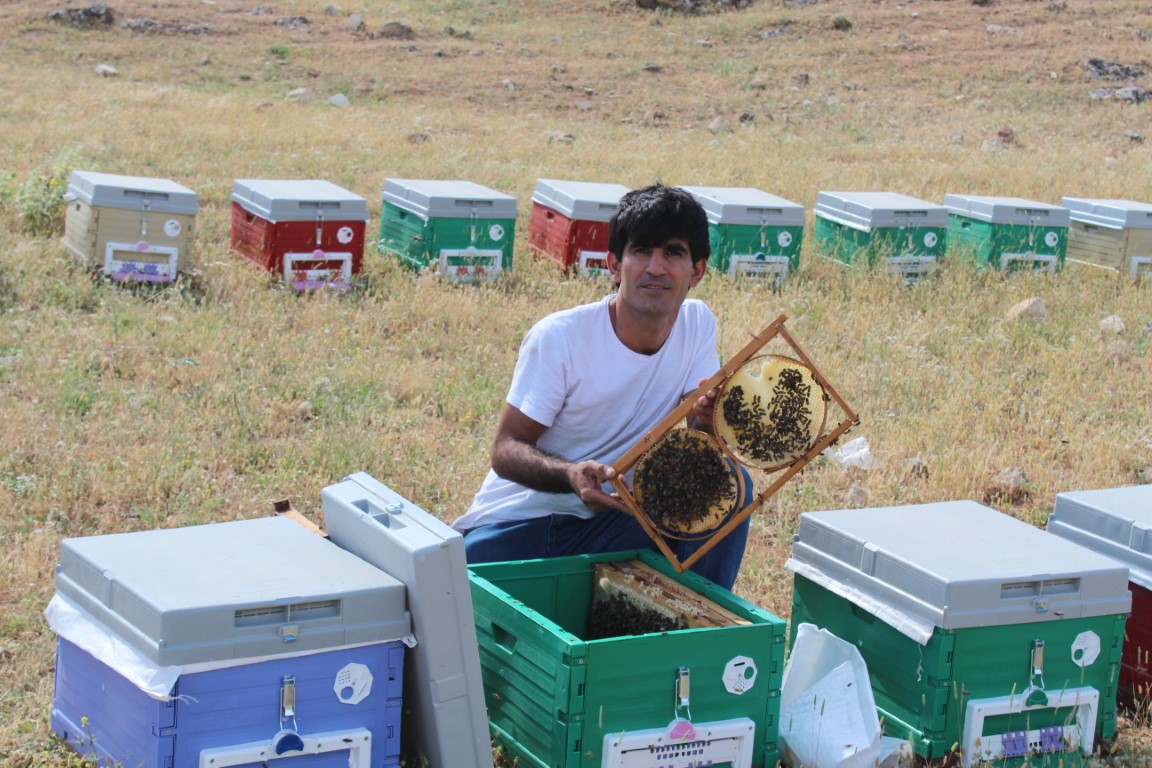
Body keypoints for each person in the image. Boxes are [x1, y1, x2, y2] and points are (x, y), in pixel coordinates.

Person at [451, 183, 751, 589]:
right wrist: (572, 474)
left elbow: (698, 437)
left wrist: (706, 418)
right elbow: (505, 450)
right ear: (614, 264)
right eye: (641, 251)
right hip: (522, 526)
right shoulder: (560, 337)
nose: (656, 268)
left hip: (617, 523)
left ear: (697, 270)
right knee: (462, 586)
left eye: (673, 253)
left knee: (729, 481)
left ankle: (695, 625)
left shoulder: (697, 324)